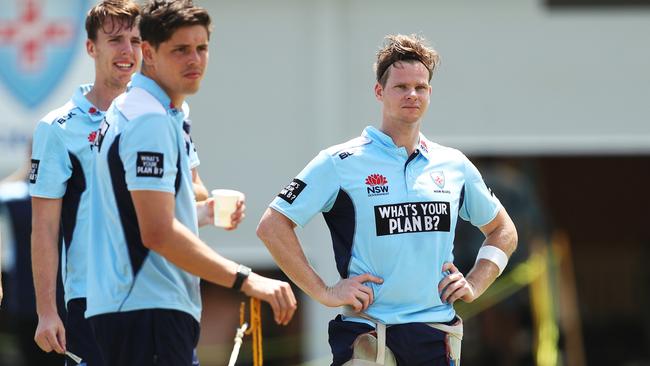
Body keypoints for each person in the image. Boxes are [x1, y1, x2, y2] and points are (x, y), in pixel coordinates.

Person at [257, 34, 518, 365]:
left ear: (429, 94)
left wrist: (476, 282)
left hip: (435, 332)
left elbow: (503, 231)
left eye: (420, 87)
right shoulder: (339, 162)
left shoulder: (454, 165)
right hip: (367, 332)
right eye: (401, 86)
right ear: (380, 92)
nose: (412, 94)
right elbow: (272, 225)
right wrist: (325, 291)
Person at [85, 1, 296, 365]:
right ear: (148, 52)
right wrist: (247, 279)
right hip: (145, 310)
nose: (194, 60)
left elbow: (133, 218)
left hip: (138, 309)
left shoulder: (151, 109)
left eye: (201, 48)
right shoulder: (147, 119)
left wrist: (202, 211)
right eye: (180, 50)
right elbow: (157, 233)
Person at [29, 1, 141, 364]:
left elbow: (191, 192)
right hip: (91, 300)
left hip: (159, 295)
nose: (128, 51)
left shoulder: (163, 117)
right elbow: (44, 228)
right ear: (91, 47)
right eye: (116, 40)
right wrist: (47, 311)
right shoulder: (58, 127)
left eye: (136, 41)